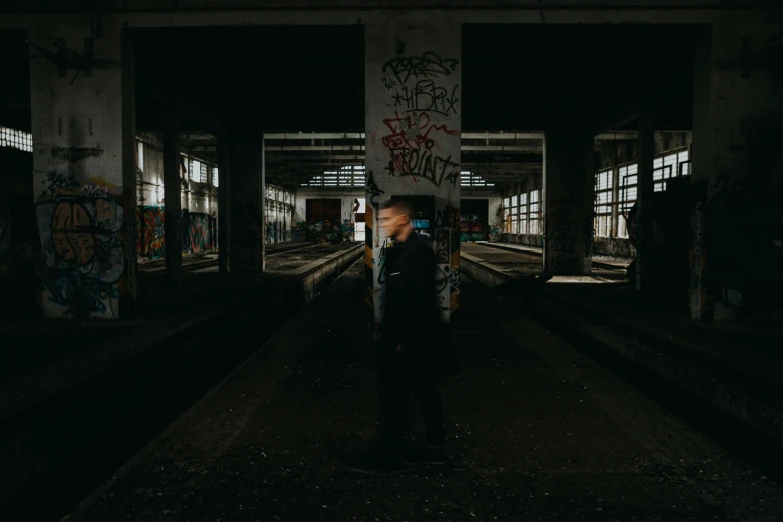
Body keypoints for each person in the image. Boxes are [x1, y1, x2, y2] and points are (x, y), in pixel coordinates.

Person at [343, 200, 458, 475]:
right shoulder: (405, 251)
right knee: (416, 392)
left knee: (406, 393)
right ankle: (421, 448)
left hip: (414, 339)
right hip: (407, 337)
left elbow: (417, 301)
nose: (382, 224)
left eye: (386, 219)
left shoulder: (417, 253)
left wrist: (403, 339)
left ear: (403, 219)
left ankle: (398, 453)